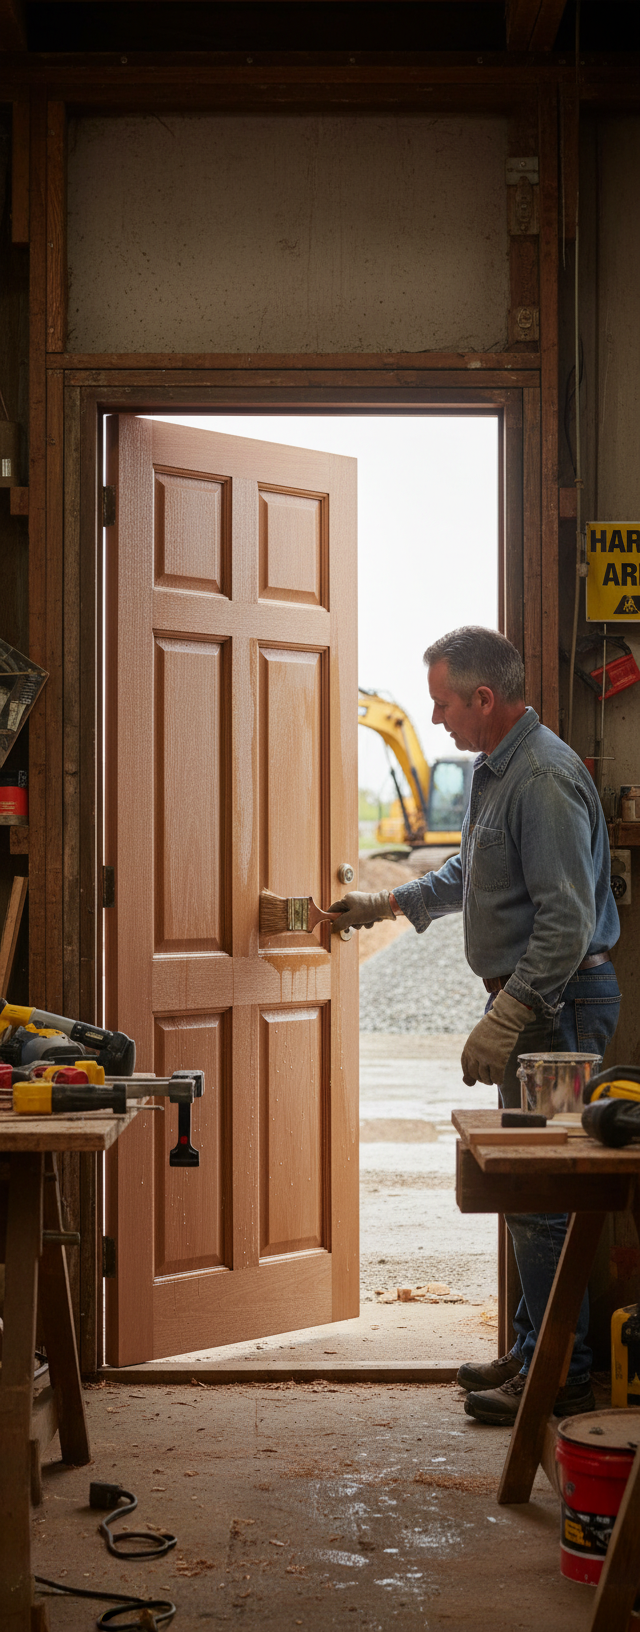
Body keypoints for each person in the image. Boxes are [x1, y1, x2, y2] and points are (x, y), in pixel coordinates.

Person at [331, 626, 621, 1426]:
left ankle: (557, 1373)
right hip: (539, 1012)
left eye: (444, 704)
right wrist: (388, 903)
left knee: (540, 1196)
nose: (436, 721)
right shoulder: (499, 772)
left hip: (558, 1014)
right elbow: (472, 871)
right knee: (531, 1189)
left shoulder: (544, 779)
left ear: (484, 699)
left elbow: (565, 923)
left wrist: (512, 1014)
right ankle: (536, 1350)